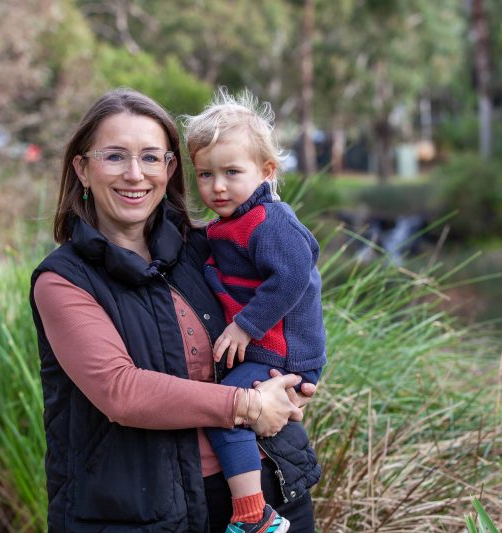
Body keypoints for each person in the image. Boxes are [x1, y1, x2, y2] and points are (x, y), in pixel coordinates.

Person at [28, 88, 321, 532]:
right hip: (141, 516)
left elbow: (298, 290)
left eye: (150, 157)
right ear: (82, 169)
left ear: (169, 169)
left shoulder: (210, 245)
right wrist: (246, 404)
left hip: (274, 496)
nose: (134, 174)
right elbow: (121, 392)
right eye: (114, 157)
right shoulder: (64, 281)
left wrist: (293, 381)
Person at [184, 89, 326, 533]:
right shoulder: (229, 224)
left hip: (280, 353)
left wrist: (245, 326)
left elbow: (293, 276)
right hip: (266, 349)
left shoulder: (270, 221)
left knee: (230, 416)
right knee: (231, 409)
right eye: (205, 174)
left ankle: (254, 516)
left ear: (266, 172)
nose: (217, 186)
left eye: (231, 172)